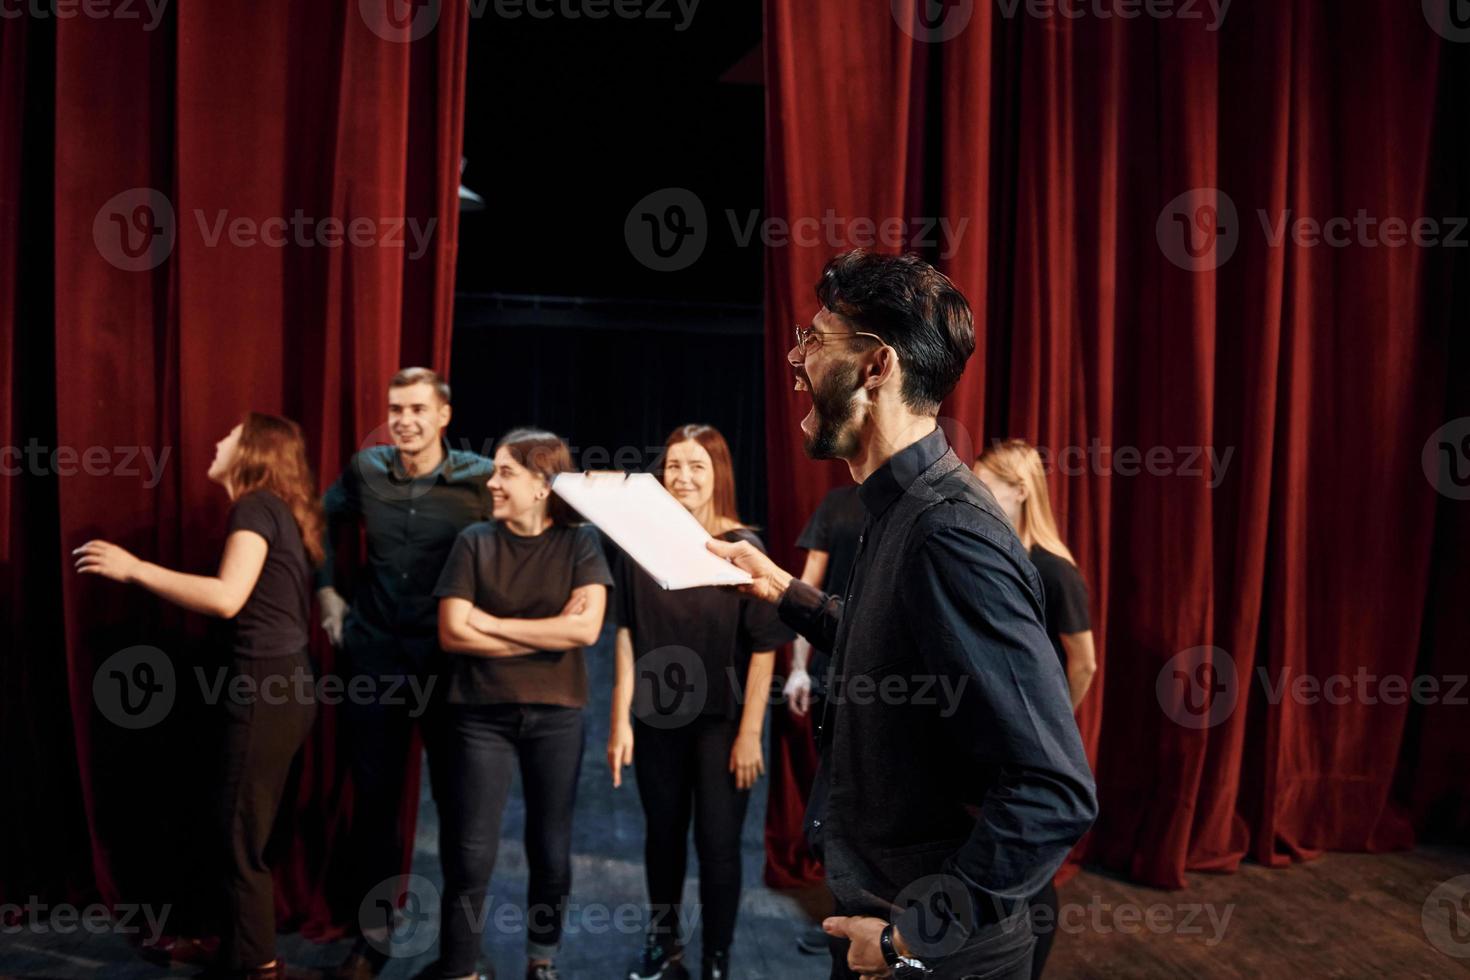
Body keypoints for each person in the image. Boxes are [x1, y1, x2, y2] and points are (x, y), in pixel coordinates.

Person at [706, 250, 1098, 980]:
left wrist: (910, 938)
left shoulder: (949, 533)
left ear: (875, 367)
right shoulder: (897, 509)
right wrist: (785, 591)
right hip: (880, 925)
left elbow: (1054, 788)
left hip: (929, 954)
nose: (795, 361)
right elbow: (888, 639)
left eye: (814, 341)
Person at [75, 412, 323, 980]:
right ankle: (239, 952)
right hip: (277, 684)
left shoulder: (256, 506)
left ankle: (258, 967)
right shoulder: (273, 510)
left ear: (254, 452)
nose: (217, 441)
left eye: (231, 436)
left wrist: (134, 569)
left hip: (267, 686)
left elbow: (227, 598)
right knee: (233, 827)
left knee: (238, 838)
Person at [316, 368, 495, 979]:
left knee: (457, 810)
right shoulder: (367, 470)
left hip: (450, 668)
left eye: (417, 408)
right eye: (395, 409)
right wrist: (327, 594)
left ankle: (458, 952)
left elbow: (523, 534)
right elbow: (318, 520)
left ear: (443, 415)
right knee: (375, 808)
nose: (404, 420)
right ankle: (372, 943)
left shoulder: (479, 478)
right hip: (375, 662)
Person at [608, 424, 795, 980]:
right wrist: (619, 720)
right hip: (656, 719)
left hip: (721, 725)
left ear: (719, 476)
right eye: (673, 466)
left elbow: (765, 649)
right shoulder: (637, 547)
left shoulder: (743, 549)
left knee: (717, 846)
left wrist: (749, 734)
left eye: (697, 467)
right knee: (662, 839)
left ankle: (717, 957)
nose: (683, 477)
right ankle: (664, 946)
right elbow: (625, 636)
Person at [425, 428, 612, 980]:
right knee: (470, 851)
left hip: (556, 717)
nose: (492, 482)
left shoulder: (579, 543)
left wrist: (494, 624)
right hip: (480, 714)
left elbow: (587, 630)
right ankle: (460, 968)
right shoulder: (474, 542)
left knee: (551, 849)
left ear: (541, 486)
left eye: (506, 472)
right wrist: (545, 630)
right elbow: (454, 634)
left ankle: (542, 958)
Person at [974, 438, 1097, 979]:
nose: (973, 492)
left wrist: (1049, 725)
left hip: (1027, 742)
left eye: (985, 483)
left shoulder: (1055, 570)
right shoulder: (994, 553)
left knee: (1031, 861)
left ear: (1020, 490)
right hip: (992, 738)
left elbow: (1085, 663)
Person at [784, 484, 866, 957]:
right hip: (829, 671)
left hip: (887, 682)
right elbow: (808, 585)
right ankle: (838, 918)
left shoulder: (915, 499)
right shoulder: (835, 503)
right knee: (833, 803)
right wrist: (797, 666)